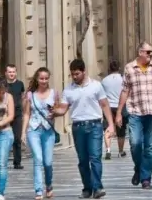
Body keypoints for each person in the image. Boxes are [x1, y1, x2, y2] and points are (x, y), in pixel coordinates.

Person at [53, 59, 115, 199]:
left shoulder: (96, 86)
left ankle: (98, 187)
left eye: (77, 74)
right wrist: (54, 111)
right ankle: (87, 188)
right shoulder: (68, 89)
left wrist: (110, 124)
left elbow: (105, 105)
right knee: (83, 160)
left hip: (94, 125)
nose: (74, 77)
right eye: (72, 74)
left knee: (95, 158)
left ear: (83, 71)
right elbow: (63, 109)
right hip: (78, 126)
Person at [117, 42, 152, 189]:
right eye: (148, 52)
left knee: (150, 147)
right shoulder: (129, 68)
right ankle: (139, 167)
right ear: (140, 52)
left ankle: (146, 178)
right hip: (135, 112)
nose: (151, 55)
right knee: (135, 143)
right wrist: (119, 112)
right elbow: (125, 90)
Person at [21, 67, 58, 200]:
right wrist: (23, 132)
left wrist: (54, 112)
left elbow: (58, 111)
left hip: (48, 130)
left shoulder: (54, 93)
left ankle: (48, 185)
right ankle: (38, 190)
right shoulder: (30, 95)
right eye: (41, 78)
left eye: (46, 78)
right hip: (33, 129)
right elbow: (26, 114)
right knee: (38, 159)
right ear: (37, 79)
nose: (44, 81)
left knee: (47, 162)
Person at [101, 60, 126, 159]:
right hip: (121, 106)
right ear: (119, 68)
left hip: (108, 107)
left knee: (107, 127)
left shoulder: (104, 80)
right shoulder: (123, 79)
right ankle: (120, 151)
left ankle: (108, 150)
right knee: (121, 129)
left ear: (109, 69)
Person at [3, 65, 25, 170]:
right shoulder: (3, 85)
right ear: (6, 73)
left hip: (17, 114)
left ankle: (17, 162)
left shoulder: (20, 84)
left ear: (16, 73)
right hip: (5, 114)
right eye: (9, 72)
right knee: (5, 138)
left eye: (13, 72)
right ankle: (3, 161)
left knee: (17, 138)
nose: (11, 74)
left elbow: (23, 97)